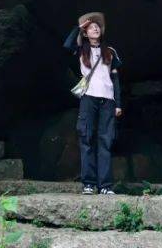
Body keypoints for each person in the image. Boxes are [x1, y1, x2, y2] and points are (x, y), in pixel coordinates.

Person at [63, 11, 122, 195]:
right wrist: (78, 29)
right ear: (86, 33)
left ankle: (105, 186)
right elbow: (66, 45)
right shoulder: (81, 50)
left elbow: (116, 80)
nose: (95, 28)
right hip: (88, 98)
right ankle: (88, 184)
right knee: (86, 138)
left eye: (97, 26)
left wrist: (118, 104)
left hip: (108, 100)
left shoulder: (110, 52)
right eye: (91, 27)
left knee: (105, 140)